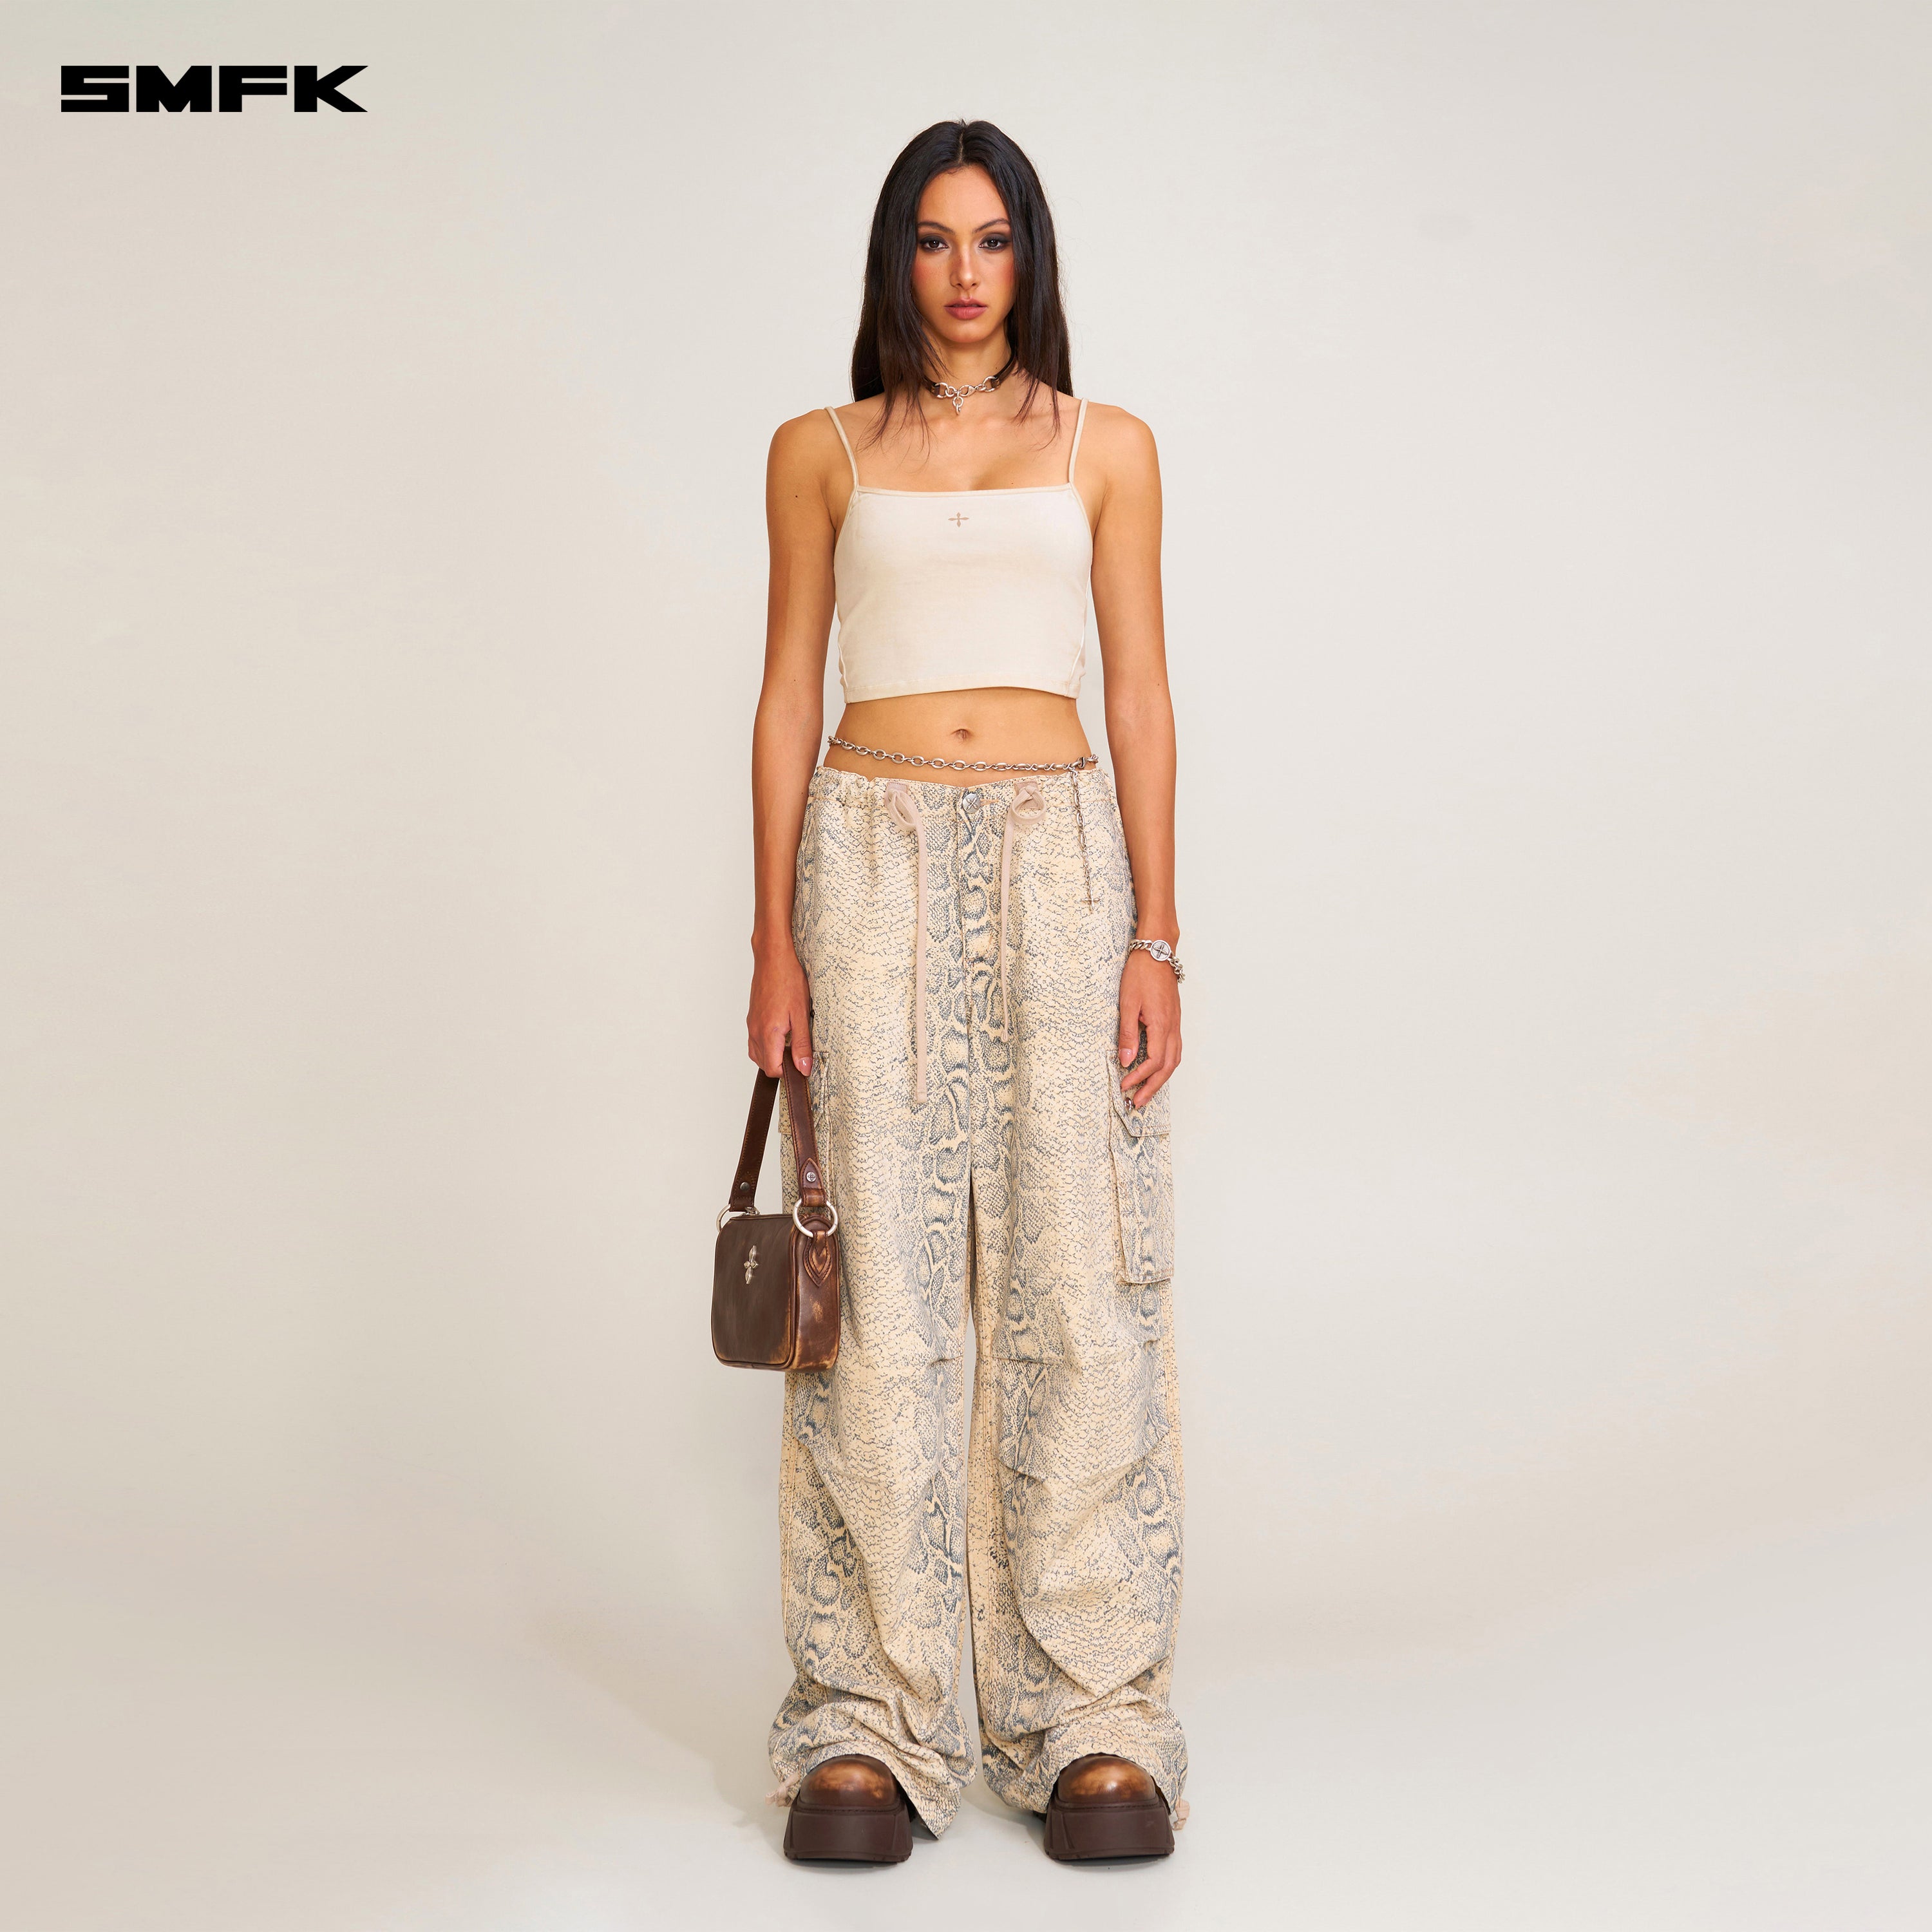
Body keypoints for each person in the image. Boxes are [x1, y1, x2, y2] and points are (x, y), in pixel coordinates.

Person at [744, 118, 1187, 1865]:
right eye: (933, 241)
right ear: (896, 261)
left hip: (1063, 860)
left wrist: (1158, 936)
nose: (963, 274)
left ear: (1031, 258)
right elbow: (789, 689)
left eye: (992, 240)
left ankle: (1092, 1718)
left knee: (1079, 1283)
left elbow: (1140, 691)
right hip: (868, 857)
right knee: (880, 1295)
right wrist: (771, 940)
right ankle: (865, 1719)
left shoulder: (1107, 446)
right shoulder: (821, 449)